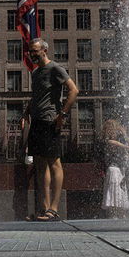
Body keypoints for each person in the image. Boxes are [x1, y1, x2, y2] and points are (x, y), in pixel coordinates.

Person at [19, 38, 78, 221]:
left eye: (35, 51)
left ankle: (54, 208)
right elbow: (36, 96)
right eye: (30, 51)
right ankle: (44, 208)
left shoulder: (55, 69)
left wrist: (62, 115)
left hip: (50, 121)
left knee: (54, 163)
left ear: (45, 50)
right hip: (37, 122)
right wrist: (26, 113)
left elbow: (73, 90)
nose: (32, 54)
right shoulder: (36, 72)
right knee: (39, 165)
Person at [99, 119, 129, 217]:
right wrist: (124, 134)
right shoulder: (110, 141)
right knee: (114, 199)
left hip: (119, 171)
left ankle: (117, 217)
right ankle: (113, 217)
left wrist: (125, 135)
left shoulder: (116, 141)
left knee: (118, 198)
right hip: (114, 171)